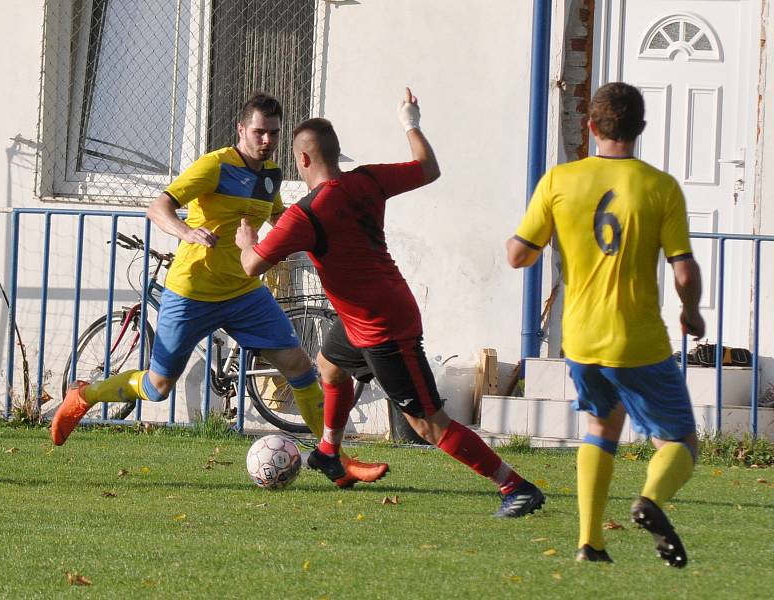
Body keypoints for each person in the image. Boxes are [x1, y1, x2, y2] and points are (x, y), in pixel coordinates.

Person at [51, 92, 388, 489]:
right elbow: (157, 207)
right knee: (158, 388)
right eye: (259, 132)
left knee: (298, 363)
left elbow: (278, 215)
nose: (266, 141)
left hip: (245, 292)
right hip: (191, 292)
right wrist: (185, 230)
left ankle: (336, 460)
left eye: (274, 134)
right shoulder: (214, 165)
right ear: (241, 129)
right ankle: (85, 395)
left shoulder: (271, 174)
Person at [235, 88, 546, 518]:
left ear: (302, 160)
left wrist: (246, 238)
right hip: (360, 316)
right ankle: (329, 452)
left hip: (384, 327)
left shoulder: (305, 215)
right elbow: (428, 168)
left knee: (428, 424)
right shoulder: (367, 179)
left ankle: (516, 486)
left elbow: (251, 266)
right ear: (336, 153)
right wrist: (410, 122)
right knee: (328, 365)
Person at [507, 82, 704, 565]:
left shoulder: (559, 180)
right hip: (637, 340)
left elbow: (518, 255)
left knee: (601, 425)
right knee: (681, 441)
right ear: (640, 129)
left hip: (581, 338)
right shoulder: (659, 187)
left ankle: (590, 543)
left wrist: (543, 242)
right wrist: (691, 310)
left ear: (591, 127)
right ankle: (651, 500)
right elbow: (684, 268)